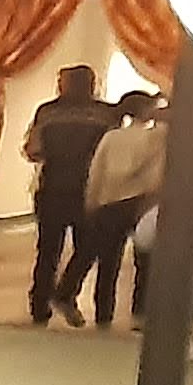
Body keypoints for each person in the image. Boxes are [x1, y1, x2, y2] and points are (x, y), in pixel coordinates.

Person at [24, 62, 114, 322]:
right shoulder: (104, 114)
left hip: (52, 187)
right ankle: (72, 295)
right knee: (87, 249)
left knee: (47, 252)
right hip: (89, 190)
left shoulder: (47, 112)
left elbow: (33, 150)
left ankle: (40, 307)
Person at [75, 88, 163, 326]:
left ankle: (103, 314)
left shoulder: (111, 137)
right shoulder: (155, 138)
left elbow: (96, 171)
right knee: (144, 262)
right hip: (141, 203)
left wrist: (91, 200)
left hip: (109, 203)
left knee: (108, 262)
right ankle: (139, 314)